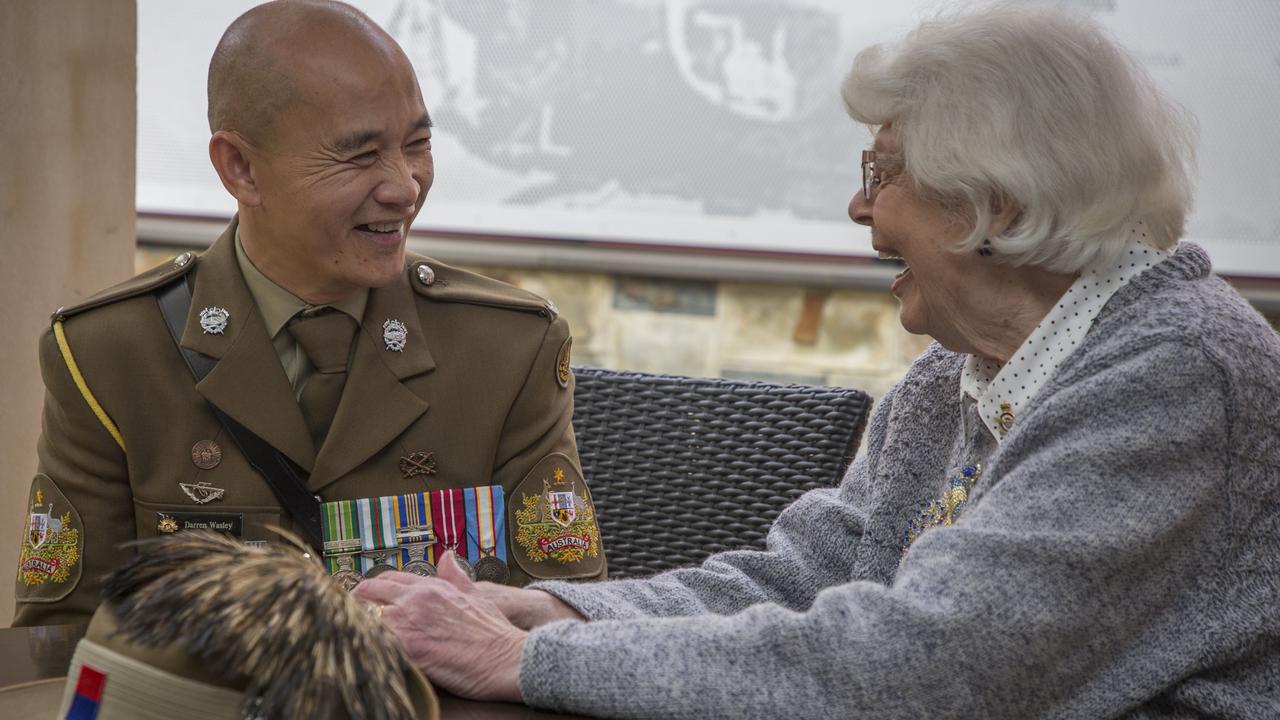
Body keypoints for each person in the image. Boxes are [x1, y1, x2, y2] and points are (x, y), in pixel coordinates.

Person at [356, 4, 1280, 717]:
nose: (858, 207)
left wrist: (525, 662)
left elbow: (933, 671)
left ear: (995, 205)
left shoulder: (1178, 378)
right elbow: (798, 580)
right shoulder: (953, 381)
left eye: (884, 174)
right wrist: (561, 615)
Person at [14, 0, 605, 627]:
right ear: (240, 168)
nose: (404, 186)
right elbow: (63, 644)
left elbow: (563, 629)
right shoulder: (109, 355)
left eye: (418, 144)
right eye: (359, 154)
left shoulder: (506, 351)